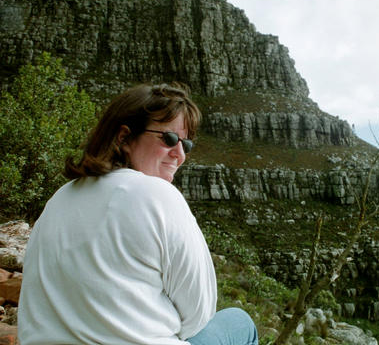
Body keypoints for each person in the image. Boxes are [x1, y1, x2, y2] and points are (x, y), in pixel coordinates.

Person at [18, 83, 258, 345]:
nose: (179, 154)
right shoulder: (158, 195)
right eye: (168, 139)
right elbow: (200, 314)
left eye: (186, 144)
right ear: (124, 138)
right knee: (239, 322)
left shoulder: (58, 198)